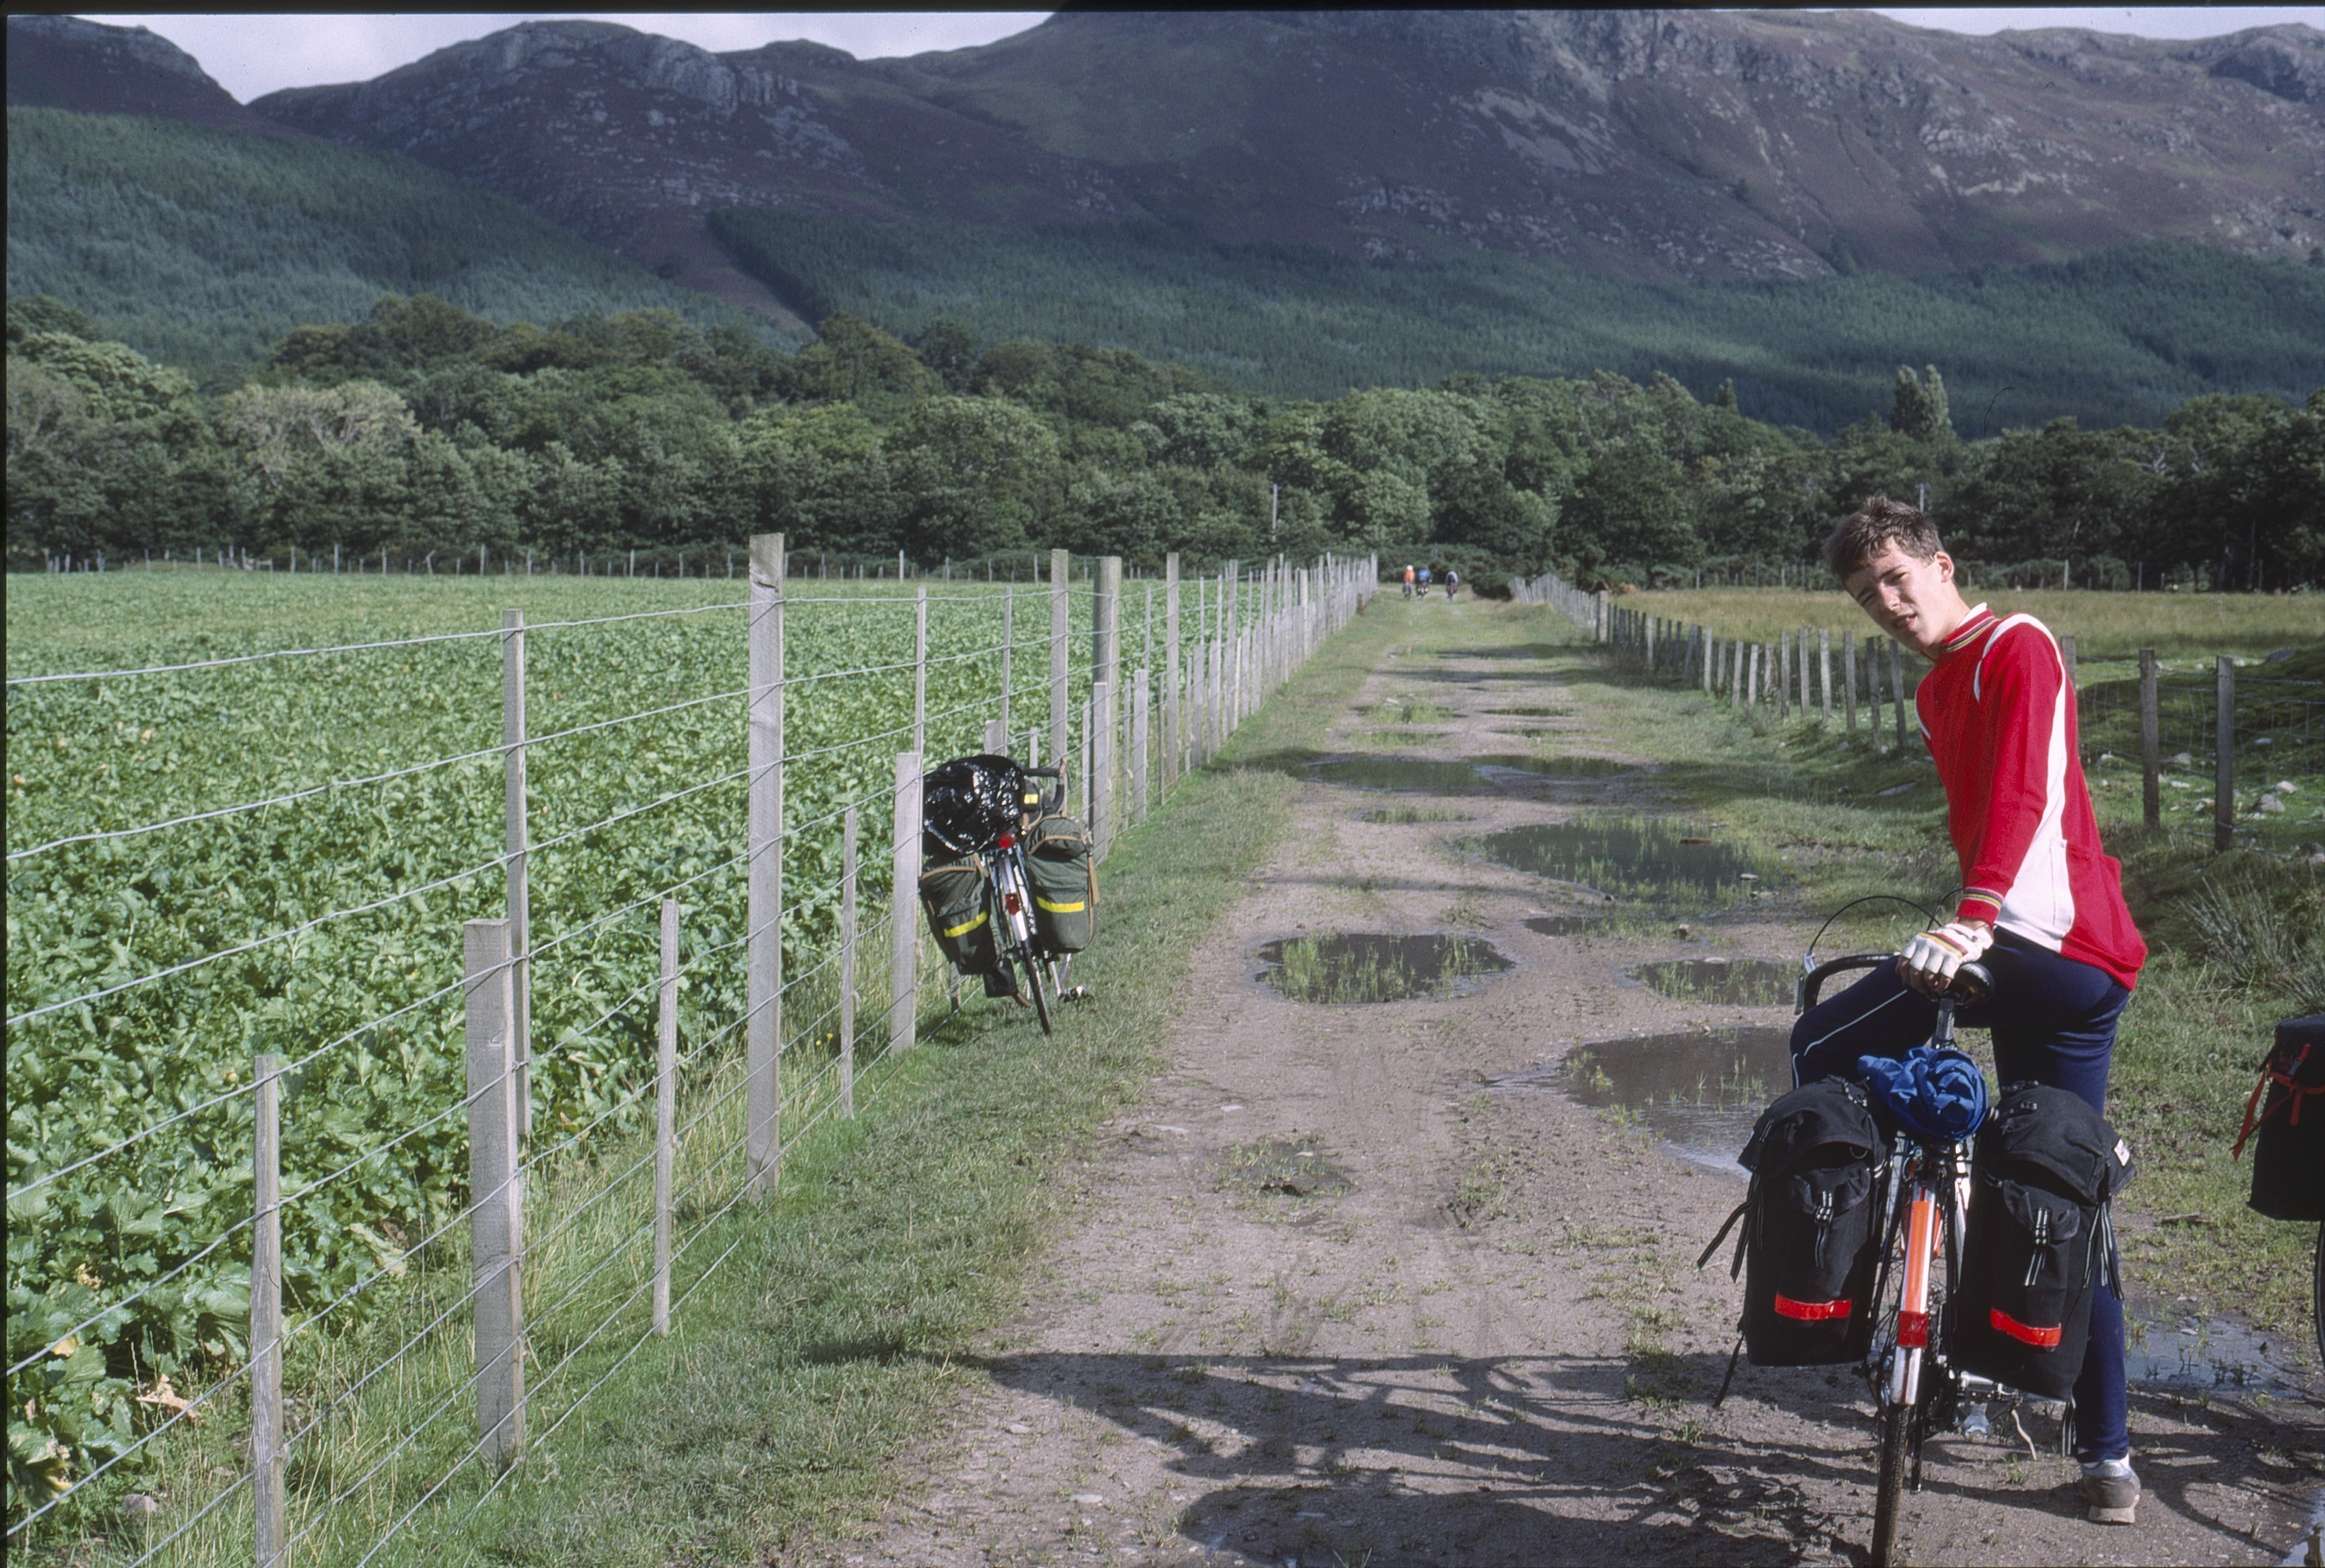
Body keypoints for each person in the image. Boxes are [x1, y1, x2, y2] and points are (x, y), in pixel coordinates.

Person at [1788, 495, 2148, 1526]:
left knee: (1821, 1041)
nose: (1888, 604)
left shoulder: (2017, 646)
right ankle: (2108, 1462)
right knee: (2064, 1187)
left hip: (2040, 947)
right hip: (2067, 963)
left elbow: (2023, 802)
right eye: (1867, 596)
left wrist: (1973, 917)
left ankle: (1873, 1285)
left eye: (1899, 579)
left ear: (1944, 564)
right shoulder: (1939, 686)